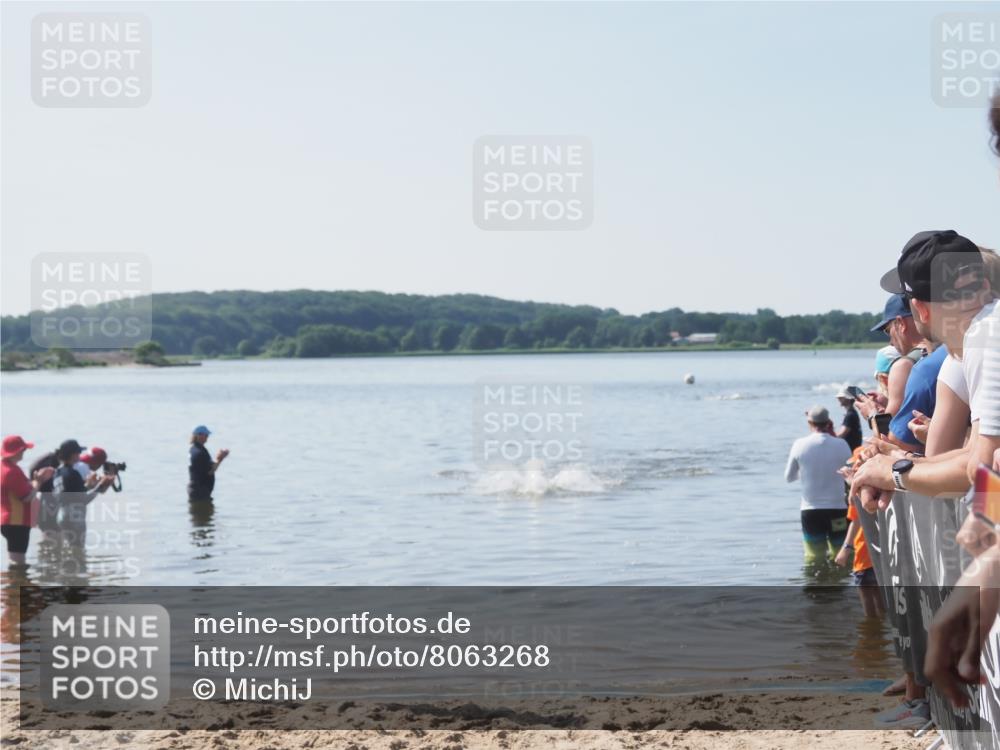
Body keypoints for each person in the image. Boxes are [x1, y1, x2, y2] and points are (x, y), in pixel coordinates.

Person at [855, 293, 947, 453]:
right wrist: (889, 402)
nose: (890, 341)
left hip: (923, 467)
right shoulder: (949, 353)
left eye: (887, 329)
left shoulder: (903, 365)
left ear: (900, 323)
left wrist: (872, 415)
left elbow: (893, 443)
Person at [785, 406, 852, 563]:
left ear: (809, 422)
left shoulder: (799, 444)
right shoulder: (841, 444)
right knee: (840, 554)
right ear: (828, 422)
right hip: (837, 509)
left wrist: (808, 472)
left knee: (814, 557)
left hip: (811, 510)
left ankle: (817, 585)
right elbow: (851, 473)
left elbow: (789, 477)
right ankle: (841, 584)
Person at [1, 436, 56, 565]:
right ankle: (17, 584)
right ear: (17, 451)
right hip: (17, 522)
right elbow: (26, 497)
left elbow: (21, 489)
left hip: (7, 520)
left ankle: (14, 583)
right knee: (18, 563)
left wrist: (35, 481)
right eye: (23, 450)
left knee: (14, 560)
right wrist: (39, 481)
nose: (24, 453)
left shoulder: (3, 468)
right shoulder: (12, 471)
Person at [51, 440, 114, 547]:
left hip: (61, 515)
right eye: (78, 453)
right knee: (78, 551)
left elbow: (69, 493)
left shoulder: (58, 472)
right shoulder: (73, 474)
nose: (80, 455)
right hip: (74, 517)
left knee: (69, 549)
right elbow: (84, 500)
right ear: (72, 455)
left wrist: (89, 485)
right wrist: (101, 486)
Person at [188, 426, 229, 502]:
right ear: (198, 435)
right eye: (206, 435)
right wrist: (220, 459)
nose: (207, 437)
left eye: (207, 435)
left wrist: (218, 459)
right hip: (200, 492)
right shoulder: (199, 453)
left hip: (196, 490)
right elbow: (210, 471)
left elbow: (208, 467)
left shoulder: (194, 449)